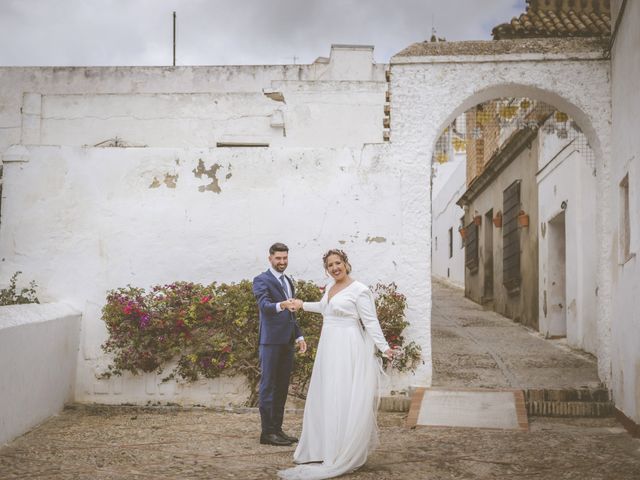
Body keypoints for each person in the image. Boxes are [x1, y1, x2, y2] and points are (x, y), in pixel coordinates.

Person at [278, 249, 396, 480]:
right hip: (328, 346)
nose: (335, 268)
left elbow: (370, 322)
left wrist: (384, 348)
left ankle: (341, 451)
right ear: (327, 269)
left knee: (342, 395)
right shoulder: (330, 288)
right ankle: (324, 448)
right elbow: (325, 308)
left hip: (347, 347)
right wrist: (301, 304)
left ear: (346, 264)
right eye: (330, 265)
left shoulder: (359, 290)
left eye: (338, 263)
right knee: (327, 394)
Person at [253, 242, 307, 446]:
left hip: (287, 342)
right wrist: (282, 304)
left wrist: (299, 336)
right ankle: (267, 433)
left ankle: (277, 430)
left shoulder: (288, 281)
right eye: (278, 258)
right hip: (270, 342)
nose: (282, 262)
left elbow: (292, 315)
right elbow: (264, 306)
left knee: (282, 387)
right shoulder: (261, 280)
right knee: (268, 386)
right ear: (270, 259)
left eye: (285, 258)